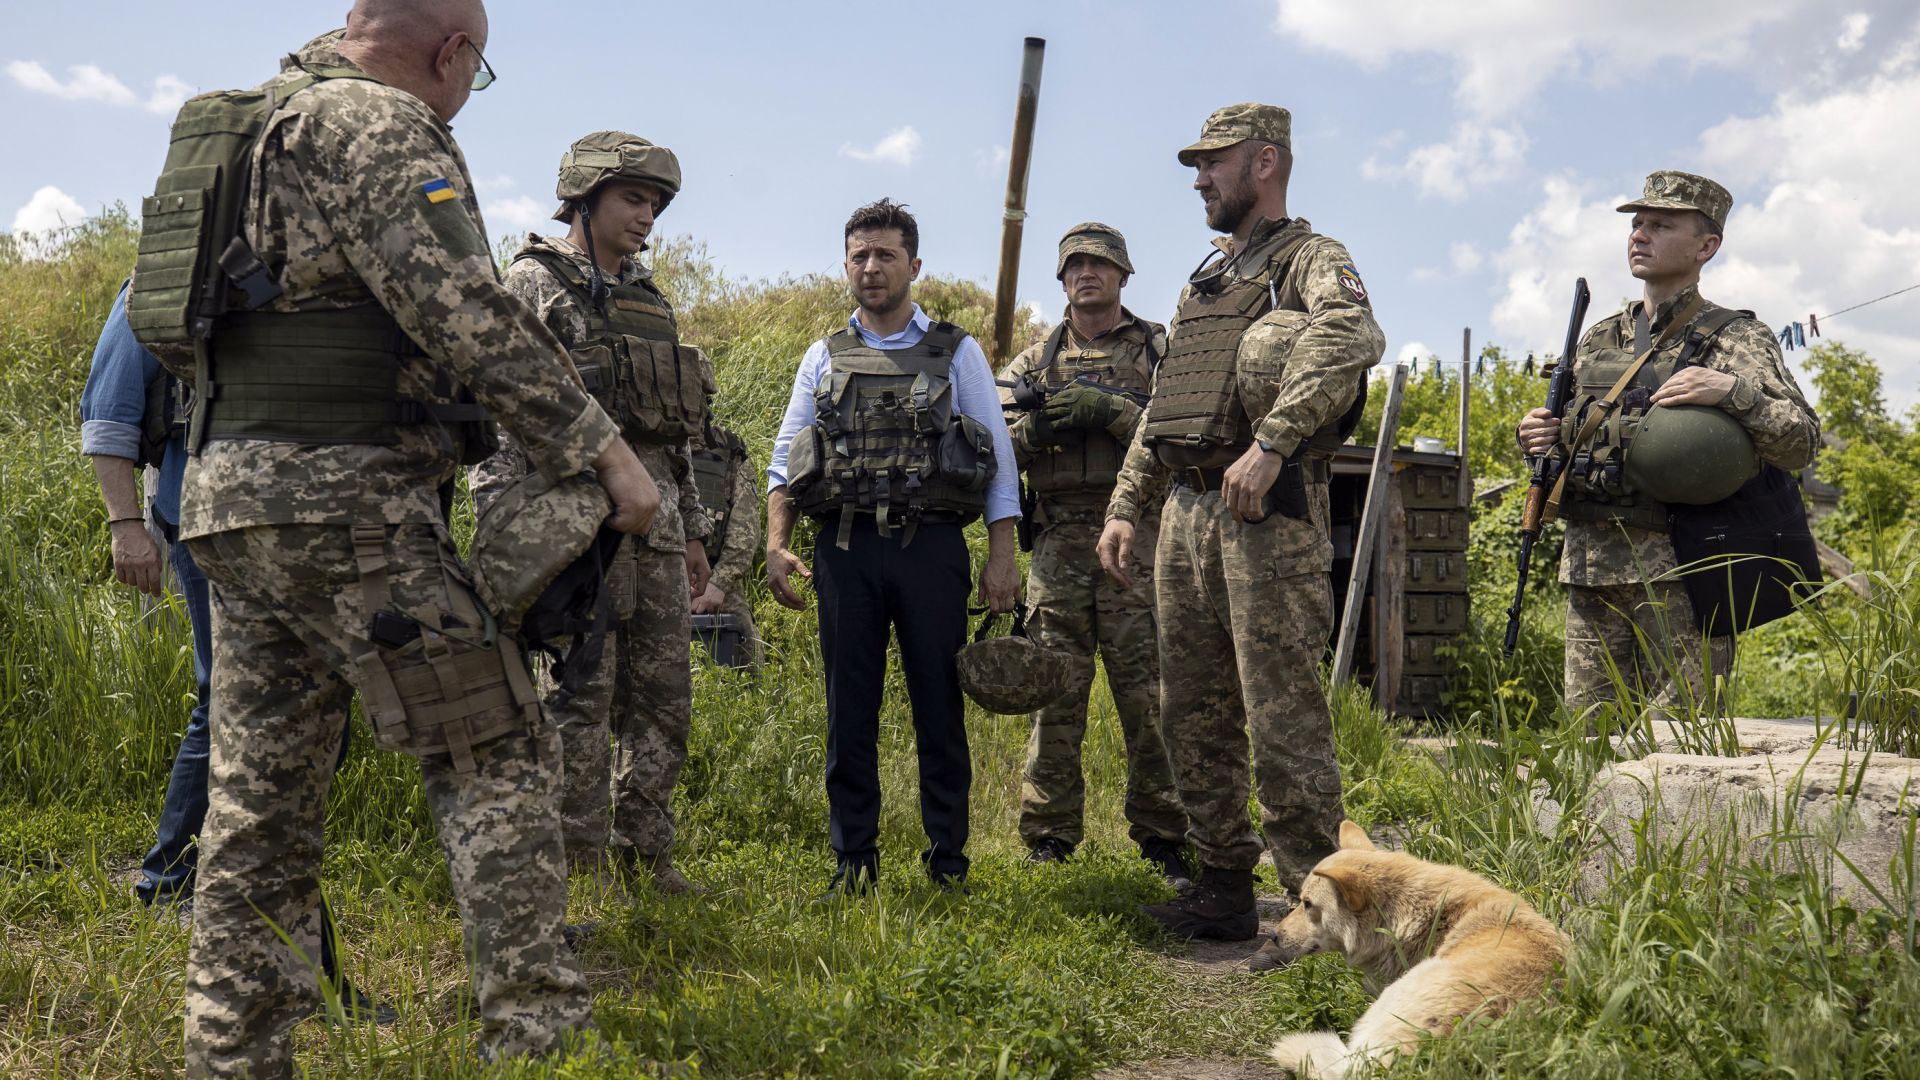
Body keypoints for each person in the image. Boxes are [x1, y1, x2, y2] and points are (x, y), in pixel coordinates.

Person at [139, 4, 659, 1072]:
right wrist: (604, 453)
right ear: (453, 51)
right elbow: (463, 308)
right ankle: (539, 1041)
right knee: (496, 746)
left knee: (258, 805)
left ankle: (231, 1058)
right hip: (352, 506)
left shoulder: (251, 131)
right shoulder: (377, 126)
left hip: (232, 503)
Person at [1097, 104, 1385, 967]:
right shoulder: (1208, 280)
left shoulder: (1312, 259)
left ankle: (1322, 911)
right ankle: (1223, 886)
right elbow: (1167, 400)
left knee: (1282, 711)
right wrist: (1125, 503)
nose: (1198, 180)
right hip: (1186, 511)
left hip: (1267, 512)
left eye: (1212, 163)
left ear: (1265, 162)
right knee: (1193, 708)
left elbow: (1353, 337)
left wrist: (1273, 444)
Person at [81, 281, 389, 1020]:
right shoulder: (161, 277)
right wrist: (126, 525)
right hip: (205, 523)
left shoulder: (314, 279)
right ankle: (177, 883)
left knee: (295, 713)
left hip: (315, 532)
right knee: (229, 703)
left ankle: (192, 878)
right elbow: (108, 413)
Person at [470, 130, 713, 891]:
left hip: (661, 526)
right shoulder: (531, 286)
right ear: (585, 198)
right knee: (579, 701)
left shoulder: (649, 299)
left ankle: (648, 852)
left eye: (657, 204)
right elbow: (506, 415)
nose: (647, 216)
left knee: (664, 699)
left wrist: (696, 528)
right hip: (574, 531)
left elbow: (676, 432)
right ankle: (579, 867)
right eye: (633, 199)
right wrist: (516, 532)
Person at [765, 198, 1019, 894]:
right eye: (859, 255)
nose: (870, 267)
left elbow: (997, 457)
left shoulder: (956, 350)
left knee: (940, 706)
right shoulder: (823, 354)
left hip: (931, 549)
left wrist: (1003, 556)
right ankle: (854, 861)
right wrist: (776, 546)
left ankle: (948, 863)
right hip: (845, 552)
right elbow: (786, 461)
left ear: (914, 265)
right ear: (846, 265)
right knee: (849, 710)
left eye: (884, 255)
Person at [1516, 170, 1820, 713]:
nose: (1639, 235)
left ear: (1707, 245)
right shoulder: (1599, 336)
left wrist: (1732, 391)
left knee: (1680, 744)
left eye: (1660, 224)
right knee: (1589, 742)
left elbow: (1800, 443)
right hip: (1590, 570)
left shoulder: (1734, 337)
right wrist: (1543, 437)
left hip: (1684, 575)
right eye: (1637, 224)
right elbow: (1583, 442)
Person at [996, 223, 1188, 882]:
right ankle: (1049, 836)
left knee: (1151, 697)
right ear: (1061, 278)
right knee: (1054, 691)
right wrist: (1038, 427)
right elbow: (989, 449)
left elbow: (1180, 431)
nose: (1086, 274)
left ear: (1123, 274)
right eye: (1074, 265)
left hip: (1137, 534)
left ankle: (1167, 837)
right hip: (1056, 541)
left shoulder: (1159, 348)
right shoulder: (1031, 364)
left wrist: (1110, 410)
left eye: (1099, 264)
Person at [690, 417, 765, 668]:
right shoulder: (642, 445)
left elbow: (745, 529)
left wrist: (719, 583)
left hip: (716, 580)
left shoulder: (728, 449)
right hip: (654, 575)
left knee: (747, 663)